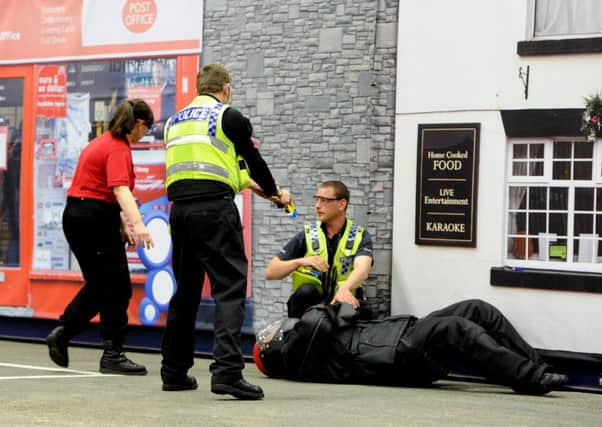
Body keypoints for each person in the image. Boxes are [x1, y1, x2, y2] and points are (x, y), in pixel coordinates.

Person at [160, 64, 291, 399]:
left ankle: (174, 372)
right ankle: (228, 372)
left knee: (186, 291)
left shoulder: (174, 122)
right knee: (230, 288)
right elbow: (254, 161)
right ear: (226, 88)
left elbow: (221, 168)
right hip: (215, 211)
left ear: (198, 87)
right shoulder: (228, 117)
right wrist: (276, 192)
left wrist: (258, 188)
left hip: (180, 213)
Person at [253, 299, 570, 395]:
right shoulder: (298, 357)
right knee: (455, 328)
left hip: (400, 336)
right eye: (266, 338)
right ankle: (528, 378)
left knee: (476, 309)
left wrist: (348, 307)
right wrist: (336, 304)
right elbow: (319, 319)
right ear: (272, 350)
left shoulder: (309, 342)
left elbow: (354, 313)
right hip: (396, 353)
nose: (272, 331)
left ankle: (538, 365)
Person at [46, 99, 156, 375]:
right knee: (117, 288)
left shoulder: (101, 142)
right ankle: (109, 353)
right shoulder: (118, 148)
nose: (145, 134)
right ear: (139, 124)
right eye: (147, 128)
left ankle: (66, 333)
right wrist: (139, 224)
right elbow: (119, 190)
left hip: (80, 215)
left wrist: (121, 225)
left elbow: (96, 189)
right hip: (93, 219)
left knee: (102, 285)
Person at [265, 180, 373, 319]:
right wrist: (301, 262)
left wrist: (345, 288)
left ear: (342, 204)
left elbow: (362, 270)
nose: (317, 206)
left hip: (342, 305)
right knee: (305, 292)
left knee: (363, 311)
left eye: (324, 200)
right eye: (317, 200)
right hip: (311, 310)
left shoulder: (359, 236)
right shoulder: (308, 235)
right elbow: (271, 272)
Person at [149, 60, 176, 140]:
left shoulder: (172, 89)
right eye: (155, 72)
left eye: (159, 71)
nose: (156, 75)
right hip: (151, 133)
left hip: (168, 132)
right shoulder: (149, 90)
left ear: (164, 72)